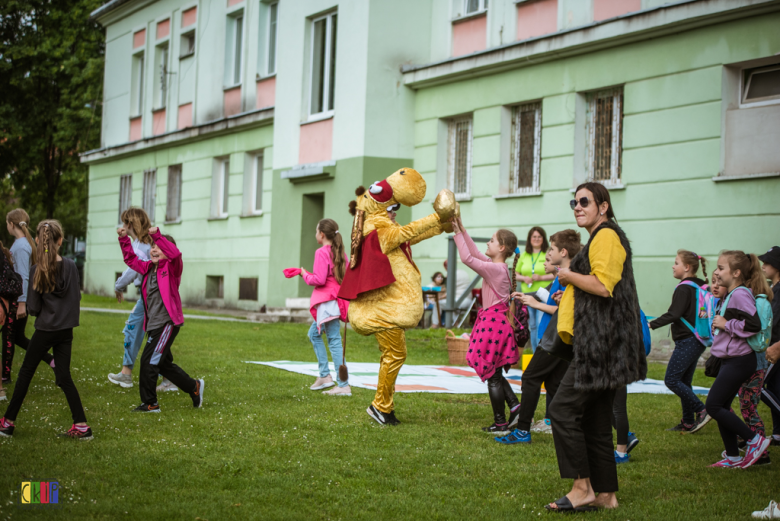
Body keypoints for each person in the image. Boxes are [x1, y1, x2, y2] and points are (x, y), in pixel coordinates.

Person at [545, 183, 647, 512]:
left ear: (602, 206)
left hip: (600, 345)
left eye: (584, 201)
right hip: (607, 342)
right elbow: (601, 286)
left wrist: (566, 275)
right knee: (597, 423)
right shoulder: (600, 236)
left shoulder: (606, 236)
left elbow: (604, 286)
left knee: (561, 410)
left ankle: (581, 487)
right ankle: (606, 495)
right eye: (574, 201)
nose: (577, 206)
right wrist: (572, 290)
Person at [0, 220, 92, 439]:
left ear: (40, 241)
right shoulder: (70, 266)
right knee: (63, 375)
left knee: (25, 374)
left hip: (45, 329)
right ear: (60, 241)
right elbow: (75, 298)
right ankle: (81, 425)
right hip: (65, 330)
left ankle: (7, 423)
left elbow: (32, 307)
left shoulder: (36, 270)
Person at [497, 229, 581, 445]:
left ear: (563, 252)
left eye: (551, 249)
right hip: (556, 336)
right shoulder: (565, 275)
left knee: (530, 377)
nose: (548, 253)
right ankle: (573, 425)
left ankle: (523, 430)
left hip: (557, 338)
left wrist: (535, 303)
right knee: (555, 385)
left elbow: (566, 310)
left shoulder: (570, 275)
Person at [118, 226, 204, 413]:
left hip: (167, 324)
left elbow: (176, 255)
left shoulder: (172, 269)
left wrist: (157, 235)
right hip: (153, 325)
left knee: (149, 361)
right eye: (152, 246)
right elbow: (131, 259)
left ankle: (150, 403)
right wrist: (124, 240)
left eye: (159, 247)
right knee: (162, 364)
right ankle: (194, 387)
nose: (154, 249)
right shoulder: (148, 267)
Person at [451, 216, 520, 435]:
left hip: (493, 324)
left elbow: (467, 259)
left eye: (491, 240)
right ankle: (516, 407)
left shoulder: (496, 269)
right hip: (495, 322)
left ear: (501, 247)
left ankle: (500, 423)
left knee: (492, 373)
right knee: (496, 371)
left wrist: (456, 235)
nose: (487, 244)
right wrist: (462, 229)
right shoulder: (496, 266)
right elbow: (475, 253)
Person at [706, 250, 772, 468]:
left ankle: (755, 440)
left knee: (713, 405)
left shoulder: (740, 294)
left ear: (735, 272)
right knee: (722, 405)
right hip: (731, 359)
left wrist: (727, 324)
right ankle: (733, 456)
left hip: (740, 360)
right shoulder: (732, 293)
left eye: (721, 268)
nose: (717, 271)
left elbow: (753, 325)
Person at [649, 250, 711, 433]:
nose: (673, 266)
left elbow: (674, 314)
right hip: (697, 339)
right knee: (684, 380)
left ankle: (702, 409)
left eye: (676, 263)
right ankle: (688, 422)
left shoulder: (684, 288)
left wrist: (651, 324)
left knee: (671, 379)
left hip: (688, 340)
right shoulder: (698, 286)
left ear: (687, 267)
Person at [296, 218, 350, 396]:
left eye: (316, 230)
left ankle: (343, 385)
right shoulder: (340, 252)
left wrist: (304, 274)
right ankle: (325, 376)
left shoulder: (321, 252)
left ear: (321, 234)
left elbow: (319, 279)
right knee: (314, 333)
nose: (315, 234)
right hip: (334, 301)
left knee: (334, 340)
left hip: (328, 303)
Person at [2, 209, 55, 383]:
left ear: (11, 224)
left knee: (10, 337)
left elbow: (23, 275)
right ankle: (49, 359)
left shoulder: (20, 246)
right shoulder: (26, 243)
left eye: (7, 223)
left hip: (18, 300)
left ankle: (5, 376)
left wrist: (22, 303)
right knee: (16, 337)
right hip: (18, 298)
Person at [107, 208, 154, 389]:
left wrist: (119, 285)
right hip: (149, 294)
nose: (123, 226)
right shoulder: (141, 243)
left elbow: (133, 269)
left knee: (132, 328)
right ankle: (169, 379)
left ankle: (126, 375)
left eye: (125, 222)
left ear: (130, 223)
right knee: (155, 336)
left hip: (148, 296)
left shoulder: (142, 246)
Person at [515, 227, 554, 352]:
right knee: (532, 326)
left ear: (543, 239)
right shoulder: (524, 256)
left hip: (543, 296)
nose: (536, 239)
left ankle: (541, 352)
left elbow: (555, 273)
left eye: (539, 237)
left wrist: (541, 277)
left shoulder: (547, 254)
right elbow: (515, 274)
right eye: (534, 237)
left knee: (540, 324)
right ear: (529, 239)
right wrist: (524, 278)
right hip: (528, 295)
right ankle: (534, 353)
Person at [759, 246, 780, 447]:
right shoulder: (772, 289)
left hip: (776, 348)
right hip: (771, 346)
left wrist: (777, 347)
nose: (763, 265)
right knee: (775, 388)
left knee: (756, 386)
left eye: (767, 262)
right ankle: (778, 434)